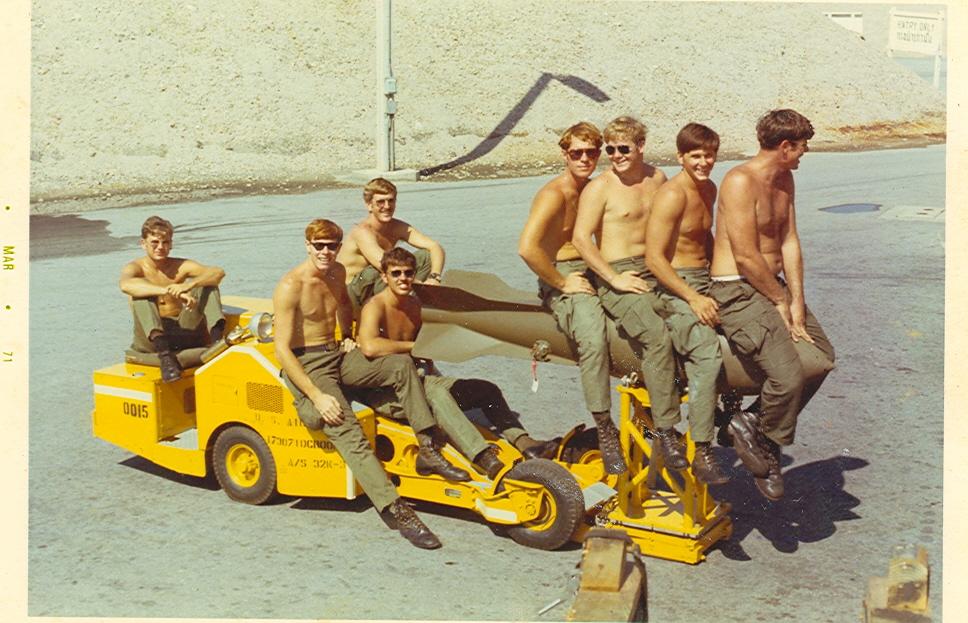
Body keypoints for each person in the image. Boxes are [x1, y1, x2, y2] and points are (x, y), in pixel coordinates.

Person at [273, 218, 475, 549]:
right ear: (307, 246)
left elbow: (341, 305)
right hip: (308, 364)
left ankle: (427, 447)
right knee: (345, 425)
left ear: (339, 247)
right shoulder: (290, 286)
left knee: (399, 364)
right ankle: (396, 510)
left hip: (335, 352)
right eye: (319, 246)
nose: (326, 252)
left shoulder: (337, 272)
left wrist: (348, 336)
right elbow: (282, 350)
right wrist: (316, 395)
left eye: (332, 246)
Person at [709, 109, 835, 500]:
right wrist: (779, 300)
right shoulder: (738, 181)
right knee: (788, 377)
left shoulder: (785, 180)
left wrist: (797, 300)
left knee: (822, 357)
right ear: (784, 146)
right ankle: (767, 443)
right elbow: (746, 257)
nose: (802, 156)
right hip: (737, 289)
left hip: (773, 286)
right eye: (801, 149)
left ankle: (751, 423)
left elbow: (789, 242)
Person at [355, 247, 558, 462]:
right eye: (396, 273)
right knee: (437, 394)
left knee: (486, 390)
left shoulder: (415, 305)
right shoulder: (375, 306)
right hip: (388, 393)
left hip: (420, 381)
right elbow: (370, 346)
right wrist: (415, 346)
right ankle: (481, 456)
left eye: (408, 273)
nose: (403, 278)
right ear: (384, 277)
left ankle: (525, 443)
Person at [572, 116, 686, 472]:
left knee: (692, 323)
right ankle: (667, 431)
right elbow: (581, 239)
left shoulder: (658, 179)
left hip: (655, 268)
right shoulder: (600, 188)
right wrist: (614, 279)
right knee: (654, 337)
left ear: (640, 147)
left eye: (624, 149)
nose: (616, 156)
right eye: (610, 150)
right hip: (617, 274)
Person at [518, 121, 626, 474]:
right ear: (565, 154)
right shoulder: (555, 194)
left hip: (594, 266)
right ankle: (605, 426)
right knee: (593, 338)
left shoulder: (595, 188)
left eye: (591, 153)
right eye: (576, 152)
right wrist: (563, 284)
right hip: (562, 274)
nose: (584, 159)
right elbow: (527, 249)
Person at [644, 123, 728, 485]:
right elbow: (654, 259)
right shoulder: (672, 194)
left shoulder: (709, 188)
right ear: (681, 157)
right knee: (707, 354)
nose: (704, 161)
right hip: (674, 285)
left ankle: (738, 418)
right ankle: (702, 448)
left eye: (709, 154)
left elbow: (704, 239)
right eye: (696, 155)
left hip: (706, 277)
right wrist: (693, 298)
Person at [119, 215, 226, 383]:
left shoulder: (180, 266)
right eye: (155, 242)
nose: (160, 247)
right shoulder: (135, 268)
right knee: (141, 294)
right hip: (152, 341)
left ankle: (217, 342)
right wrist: (167, 290)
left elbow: (218, 272)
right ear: (143, 244)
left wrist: (189, 285)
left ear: (171, 244)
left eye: (166, 242)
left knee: (207, 283)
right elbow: (126, 285)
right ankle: (165, 357)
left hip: (183, 332)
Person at [337, 177, 445, 313]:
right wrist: (421, 286)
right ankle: (408, 302)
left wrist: (434, 277)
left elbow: (435, 247)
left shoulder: (397, 226)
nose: (387, 206)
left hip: (379, 285)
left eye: (391, 201)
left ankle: (412, 300)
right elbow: (385, 265)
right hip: (351, 297)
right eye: (381, 202)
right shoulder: (362, 232)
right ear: (369, 205)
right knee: (380, 271)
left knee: (426, 256)